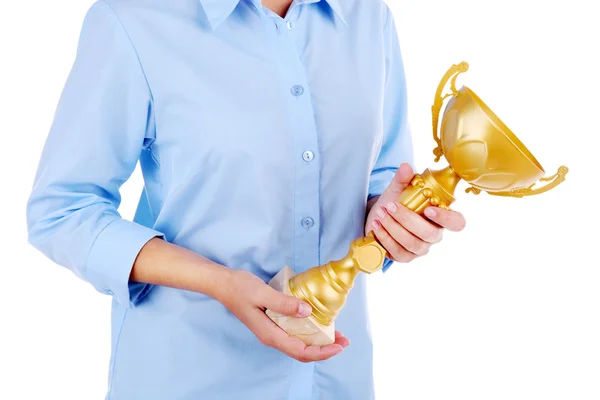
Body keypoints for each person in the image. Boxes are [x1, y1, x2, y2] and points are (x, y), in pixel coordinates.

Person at [26, 0, 466, 398]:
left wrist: (392, 220)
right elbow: (63, 209)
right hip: (190, 378)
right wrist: (220, 282)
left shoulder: (368, 17)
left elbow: (381, 173)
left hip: (336, 380)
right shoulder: (134, 20)